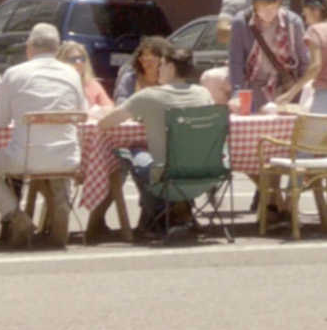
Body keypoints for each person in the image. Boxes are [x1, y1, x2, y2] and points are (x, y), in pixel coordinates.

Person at [0, 23, 89, 249]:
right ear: (57, 48)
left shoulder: (14, 74)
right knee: (56, 167)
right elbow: (83, 112)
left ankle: (16, 216)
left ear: (30, 47)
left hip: (26, 158)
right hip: (67, 157)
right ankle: (59, 225)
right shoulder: (72, 75)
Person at [97, 44, 215, 237]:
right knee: (157, 157)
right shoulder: (204, 93)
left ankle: (158, 216)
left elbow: (104, 123)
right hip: (205, 175)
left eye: (161, 65)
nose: (158, 69)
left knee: (134, 151)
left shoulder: (149, 96)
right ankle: (177, 211)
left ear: (169, 67)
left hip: (167, 177)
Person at [227, 0, 309, 113]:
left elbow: (305, 62)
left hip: (284, 85)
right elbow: (236, 62)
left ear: (280, 3)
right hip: (254, 83)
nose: (268, 11)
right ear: (254, 4)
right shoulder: (241, 22)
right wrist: (236, 93)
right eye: (263, 6)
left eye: (273, 6)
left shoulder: (293, 22)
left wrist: (302, 95)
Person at [57, 41, 115, 113]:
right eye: (73, 60)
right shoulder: (57, 85)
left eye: (81, 59)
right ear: (61, 62)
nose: (78, 62)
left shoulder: (92, 84)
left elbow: (108, 104)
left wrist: (107, 108)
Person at [114, 35, 172, 102]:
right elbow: (120, 101)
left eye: (154, 56)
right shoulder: (129, 79)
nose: (147, 59)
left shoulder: (172, 81)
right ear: (139, 59)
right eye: (145, 55)